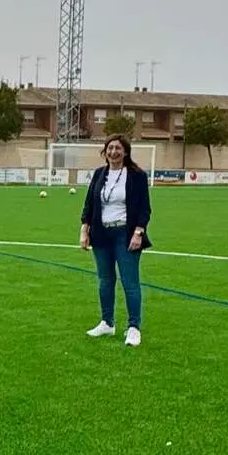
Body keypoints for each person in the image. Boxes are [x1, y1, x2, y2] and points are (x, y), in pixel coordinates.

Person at [79, 134, 152, 347]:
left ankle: (133, 328)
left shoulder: (137, 176)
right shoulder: (99, 174)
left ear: (125, 152)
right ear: (105, 151)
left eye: (118, 148)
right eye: (110, 148)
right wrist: (84, 230)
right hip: (101, 234)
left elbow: (144, 209)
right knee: (105, 281)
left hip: (126, 234)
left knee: (130, 283)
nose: (113, 152)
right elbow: (89, 205)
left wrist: (138, 233)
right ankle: (107, 322)